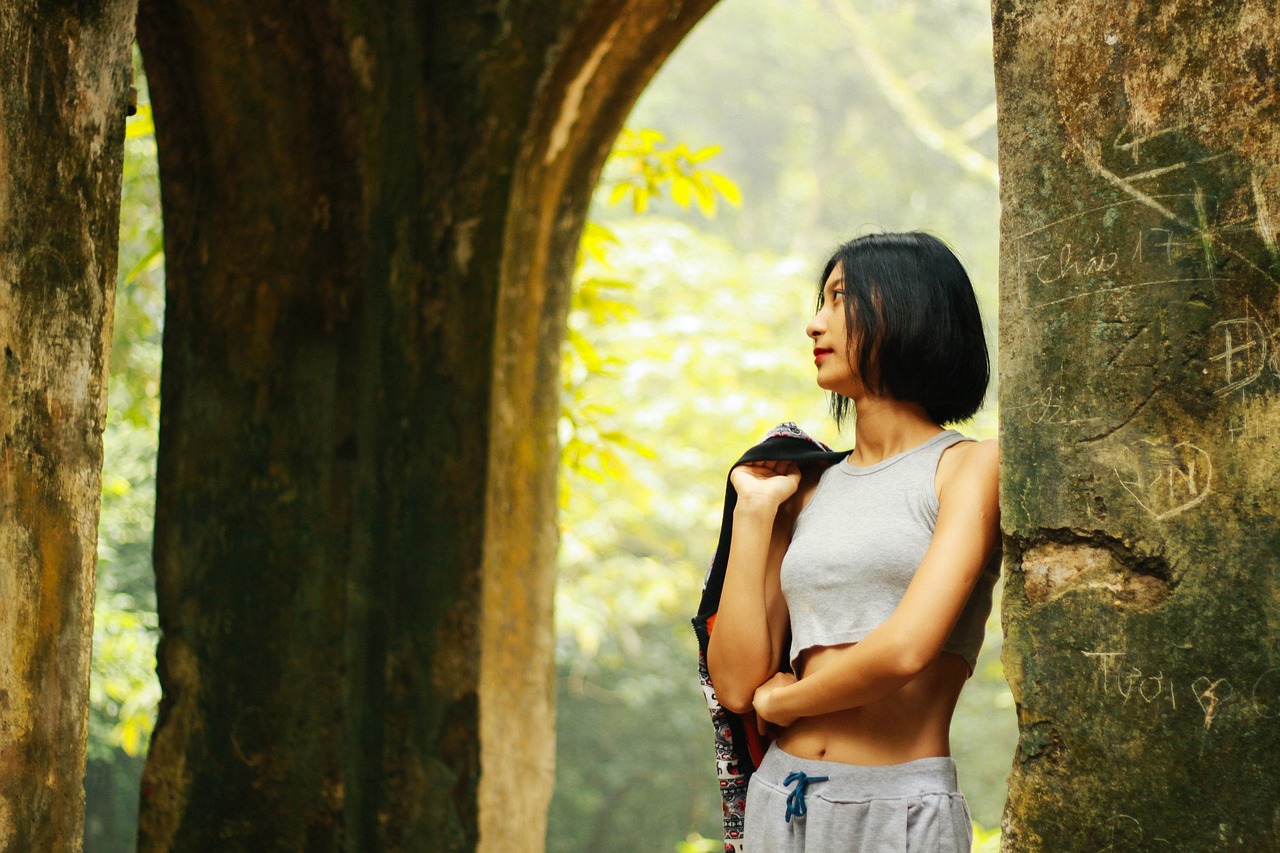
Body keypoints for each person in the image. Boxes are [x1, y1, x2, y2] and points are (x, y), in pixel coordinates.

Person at [705, 231, 1001, 852]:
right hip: (780, 799)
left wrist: (789, 702)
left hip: (898, 809)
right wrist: (756, 514)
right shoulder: (805, 486)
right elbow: (736, 685)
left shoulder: (969, 468)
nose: (815, 324)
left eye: (840, 299)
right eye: (822, 300)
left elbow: (903, 651)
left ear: (907, 309)